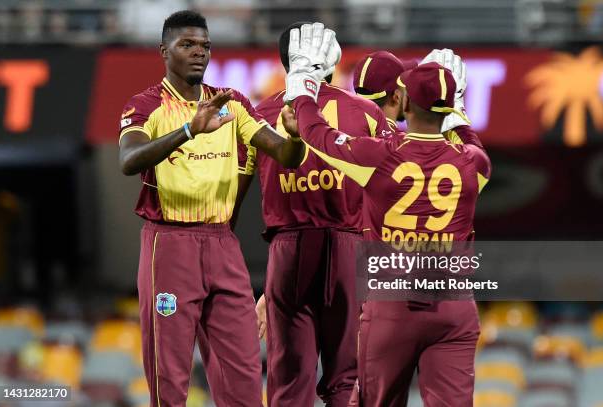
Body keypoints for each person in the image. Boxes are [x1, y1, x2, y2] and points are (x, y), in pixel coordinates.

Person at [281, 24, 491, 406]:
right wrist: (457, 108)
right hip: (455, 308)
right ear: (448, 109)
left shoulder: (378, 157)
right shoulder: (473, 164)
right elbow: (472, 143)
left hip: (392, 307)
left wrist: (303, 82)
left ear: (405, 105)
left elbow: (316, 133)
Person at [118, 10, 305, 407]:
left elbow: (286, 156)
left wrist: (296, 135)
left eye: (204, 46)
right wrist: (188, 130)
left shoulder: (232, 103)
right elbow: (128, 160)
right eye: (187, 45)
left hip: (223, 244)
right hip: (169, 244)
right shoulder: (146, 105)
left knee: (244, 371)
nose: (199, 53)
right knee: (169, 378)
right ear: (164, 51)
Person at [243, 22, 393, 407]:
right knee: (348, 378)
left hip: (288, 252)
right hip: (351, 248)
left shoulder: (258, 114)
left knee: (289, 379)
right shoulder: (368, 112)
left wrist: (271, 287)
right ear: (331, 59)